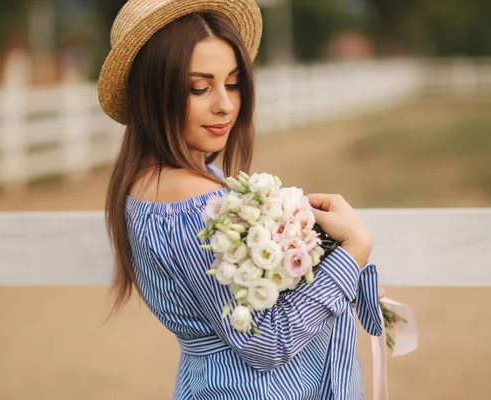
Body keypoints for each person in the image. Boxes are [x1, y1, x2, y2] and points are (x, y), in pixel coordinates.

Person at [98, 1, 382, 398]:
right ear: (153, 92)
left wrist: (328, 273)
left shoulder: (156, 184)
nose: (225, 105)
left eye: (232, 83)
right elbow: (266, 340)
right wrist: (354, 251)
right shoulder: (194, 204)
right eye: (199, 88)